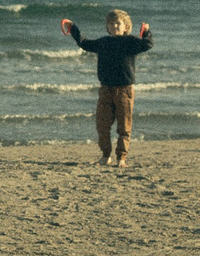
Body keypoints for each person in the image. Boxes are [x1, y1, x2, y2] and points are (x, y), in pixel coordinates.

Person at [59, 9, 153, 168]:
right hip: (105, 90)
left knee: (124, 126)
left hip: (125, 90)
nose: (114, 26)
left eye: (118, 23)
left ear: (125, 27)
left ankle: (121, 157)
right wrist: (73, 27)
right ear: (107, 27)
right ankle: (105, 155)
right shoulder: (103, 42)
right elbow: (84, 43)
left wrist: (146, 31)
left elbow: (148, 44)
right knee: (102, 125)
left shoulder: (130, 42)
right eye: (111, 24)